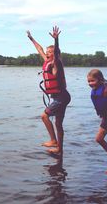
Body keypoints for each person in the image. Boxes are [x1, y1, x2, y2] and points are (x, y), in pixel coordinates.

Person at [27, 26, 71, 156]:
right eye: (47, 52)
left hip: (61, 97)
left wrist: (57, 40)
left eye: (50, 52)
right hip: (59, 97)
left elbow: (57, 53)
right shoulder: (47, 61)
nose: (47, 53)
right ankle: (60, 149)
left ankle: (53, 140)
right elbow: (39, 49)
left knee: (44, 116)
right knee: (58, 124)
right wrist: (32, 39)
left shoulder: (55, 63)